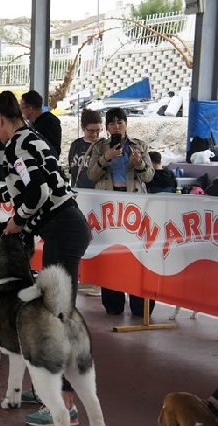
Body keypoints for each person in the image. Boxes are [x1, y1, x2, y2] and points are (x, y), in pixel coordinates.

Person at [0, 90, 91, 426]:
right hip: (62, 228)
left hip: (62, 229)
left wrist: (18, 221)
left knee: (56, 318)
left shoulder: (18, 144)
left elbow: (37, 192)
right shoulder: (29, 140)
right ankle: (46, 391)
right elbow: (24, 187)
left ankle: (65, 407)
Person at [87, 107, 155, 316]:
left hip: (134, 205)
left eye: (120, 122)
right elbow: (91, 175)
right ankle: (113, 303)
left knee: (137, 254)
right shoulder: (100, 147)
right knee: (111, 253)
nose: (116, 126)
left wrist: (138, 162)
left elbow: (149, 176)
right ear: (107, 128)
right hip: (108, 206)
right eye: (112, 123)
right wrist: (105, 158)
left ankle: (140, 304)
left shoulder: (139, 146)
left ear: (126, 124)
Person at [20, 90, 62, 158]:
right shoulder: (35, 123)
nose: (21, 111)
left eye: (22, 108)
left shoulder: (49, 122)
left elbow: (53, 149)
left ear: (30, 109)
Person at [67, 109, 103, 188]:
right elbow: (72, 171)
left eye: (98, 130)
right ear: (83, 127)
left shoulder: (104, 145)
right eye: (91, 131)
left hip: (98, 191)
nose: (94, 134)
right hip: (78, 190)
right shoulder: (76, 145)